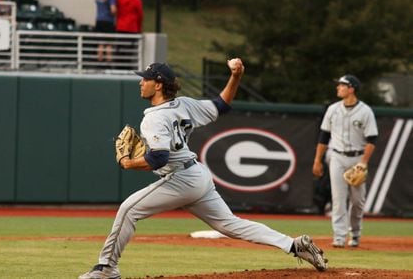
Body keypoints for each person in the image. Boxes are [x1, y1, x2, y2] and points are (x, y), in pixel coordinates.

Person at [78, 59, 328, 279]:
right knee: (230, 224)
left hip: (180, 178)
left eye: (144, 79)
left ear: (158, 83)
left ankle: (106, 268)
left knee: (127, 210)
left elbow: (159, 159)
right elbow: (221, 105)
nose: (140, 83)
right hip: (197, 175)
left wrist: (128, 163)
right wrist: (236, 77)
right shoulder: (183, 104)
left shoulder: (154, 118)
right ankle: (295, 245)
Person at [312, 75, 378, 248]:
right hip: (337, 157)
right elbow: (324, 137)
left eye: (342, 85)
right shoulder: (333, 109)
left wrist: (363, 162)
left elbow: (372, 140)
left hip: (358, 158)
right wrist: (317, 160)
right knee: (338, 199)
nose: (338, 88)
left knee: (357, 201)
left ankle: (355, 234)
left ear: (352, 88)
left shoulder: (365, 111)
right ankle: (340, 236)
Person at [94, 0, 116, 64]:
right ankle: (108, 62)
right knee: (108, 44)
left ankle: (99, 61)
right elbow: (113, 10)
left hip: (99, 21)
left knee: (100, 43)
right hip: (108, 22)